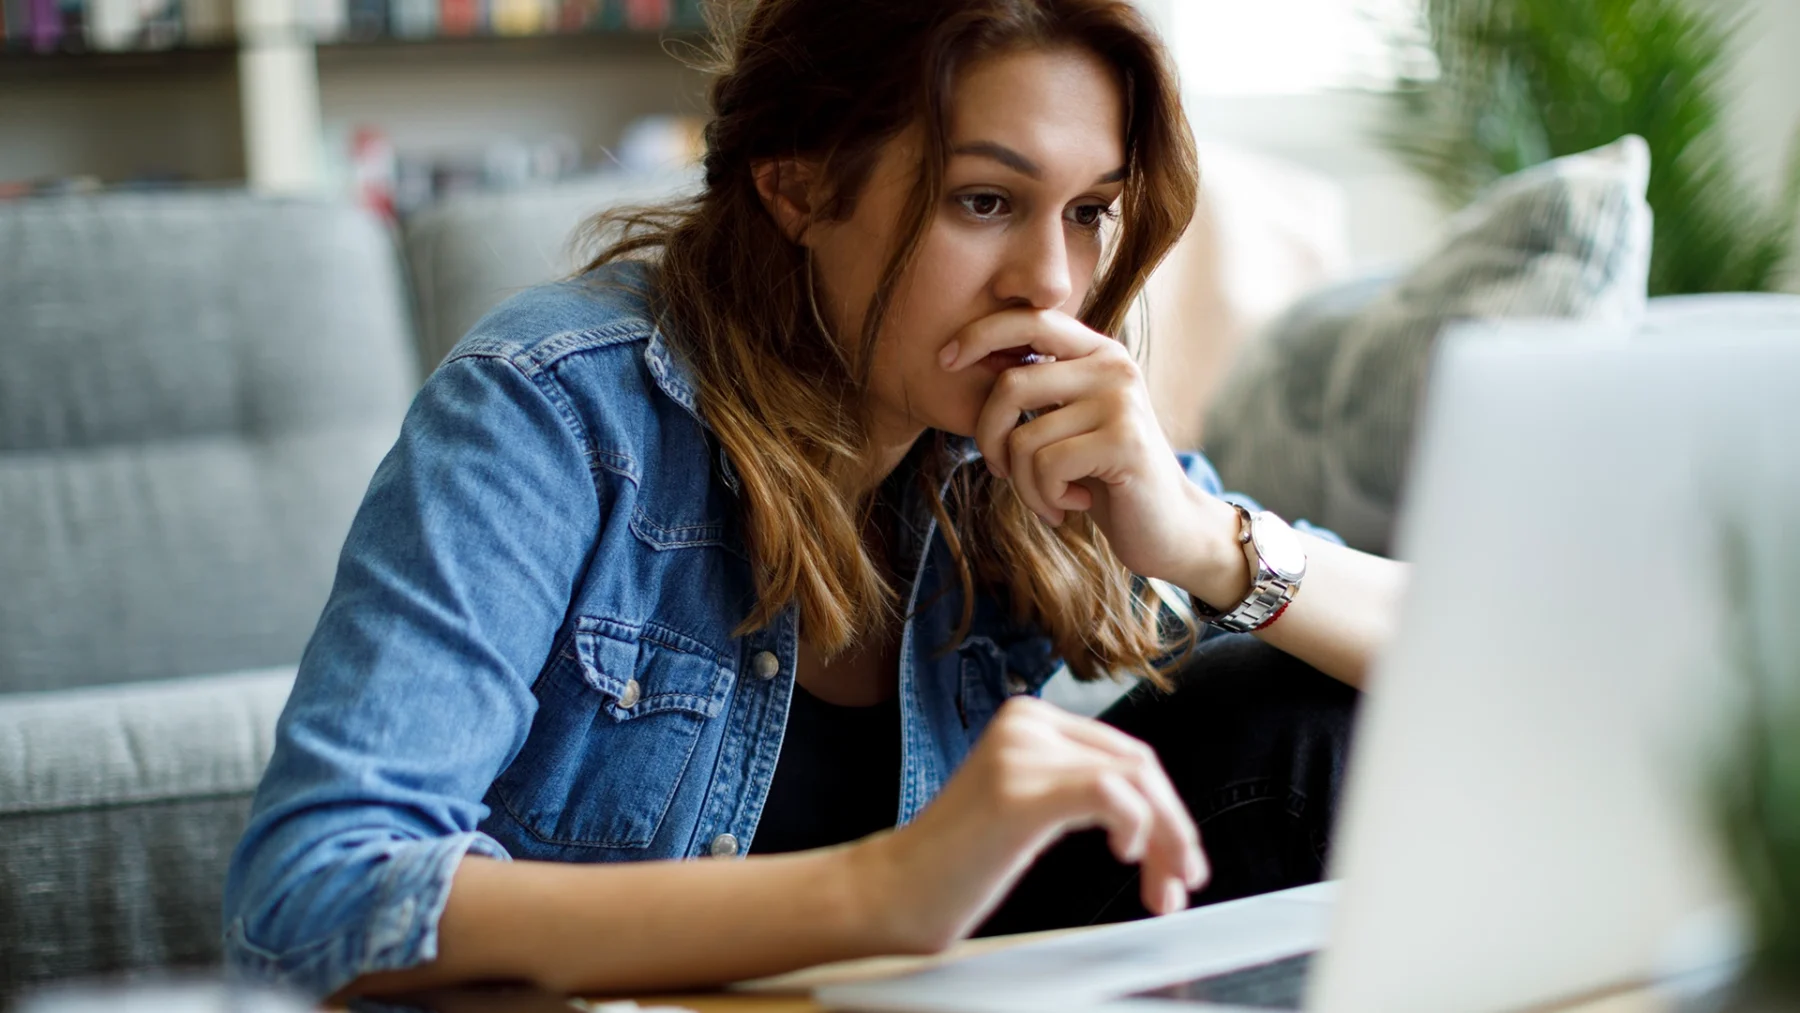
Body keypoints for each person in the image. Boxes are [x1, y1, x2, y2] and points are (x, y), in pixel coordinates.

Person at [222, 0, 1409, 1001]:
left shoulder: (1007, 439)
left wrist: (1206, 542)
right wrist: (888, 890)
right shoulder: (555, 408)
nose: (1051, 280)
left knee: (1298, 712)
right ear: (796, 184)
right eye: (984, 202)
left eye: (1089, 211)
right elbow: (314, 888)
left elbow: (1468, 657)